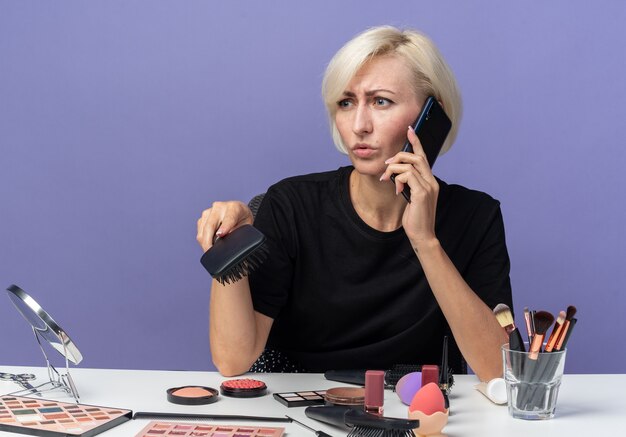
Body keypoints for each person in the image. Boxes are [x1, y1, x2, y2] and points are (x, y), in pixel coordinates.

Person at [196, 26, 512, 380]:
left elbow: (498, 372)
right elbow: (231, 361)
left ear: (431, 116)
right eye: (346, 103)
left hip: (417, 411)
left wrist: (425, 241)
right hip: (298, 409)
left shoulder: (476, 217)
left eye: (381, 101)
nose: (359, 125)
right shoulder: (290, 205)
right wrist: (230, 247)